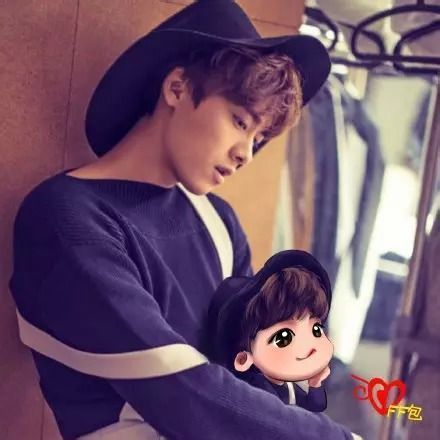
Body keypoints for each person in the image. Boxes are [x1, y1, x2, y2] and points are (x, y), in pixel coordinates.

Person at [9, 1, 361, 439]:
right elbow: (180, 389)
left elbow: (255, 368)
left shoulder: (219, 222)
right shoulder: (66, 218)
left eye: (259, 138)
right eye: (240, 121)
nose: (246, 153)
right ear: (177, 88)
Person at [207, 250, 333, 412]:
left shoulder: (286, 383)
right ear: (243, 359)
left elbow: (314, 408)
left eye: (316, 329)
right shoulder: (259, 393)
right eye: (284, 338)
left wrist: (315, 384)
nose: (311, 346)